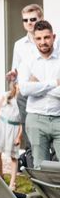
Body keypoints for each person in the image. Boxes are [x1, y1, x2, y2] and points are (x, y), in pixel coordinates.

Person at [18, 20, 60, 168]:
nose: (43, 42)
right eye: (39, 38)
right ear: (34, 39)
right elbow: (24, 89)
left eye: (46, 37)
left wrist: (38, 85)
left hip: (58, 117)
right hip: (36, 119)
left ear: (53, 37)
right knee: (39, 167)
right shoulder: (27, 61)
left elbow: (31, 89)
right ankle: (44, 192)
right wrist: (54, 83)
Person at [6, 3, 46, 151]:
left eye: (32, 19)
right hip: (24, 95)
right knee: (29, 132)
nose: (29, 23)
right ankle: (32, 169)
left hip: (46, 93)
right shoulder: (19, 45)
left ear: (40, 19)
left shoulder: (50, 40)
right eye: (25, 20)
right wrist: (13, 76)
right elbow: (15, 70)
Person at [0, 81, 22, 190]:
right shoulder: (6, 95)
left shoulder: (23, 99)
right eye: (16, 84)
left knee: (13, 156)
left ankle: (12, 182)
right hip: (2, 126)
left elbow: (23, 121)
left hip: (14, 128)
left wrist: (19, 136)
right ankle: (1, 176)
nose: (18, 86)